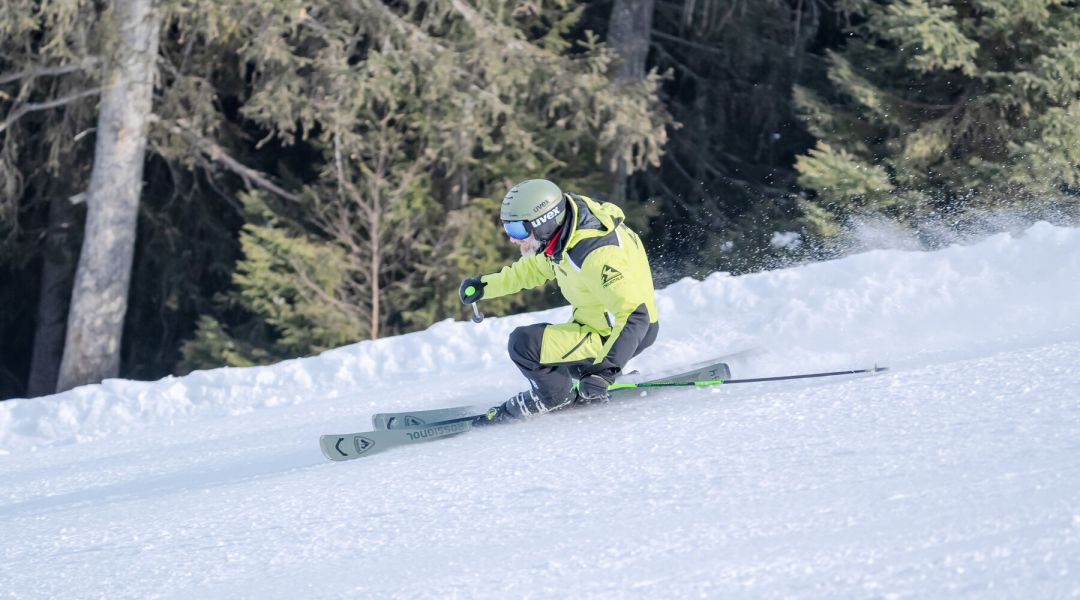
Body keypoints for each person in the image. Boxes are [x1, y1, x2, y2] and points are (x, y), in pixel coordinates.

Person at [458, 179, 660, 425]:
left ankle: (554, 398)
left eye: (518, 230)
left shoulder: (596, 255)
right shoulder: (565, 234)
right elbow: (532, 270)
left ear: (544, 221)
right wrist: (485, 286)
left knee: (524, 345)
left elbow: (635, 317)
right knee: (552, 359)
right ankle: (576, 384)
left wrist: (604, 373)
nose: (512, 239)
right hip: (598, 327)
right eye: (507, 228)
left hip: (621, 334)